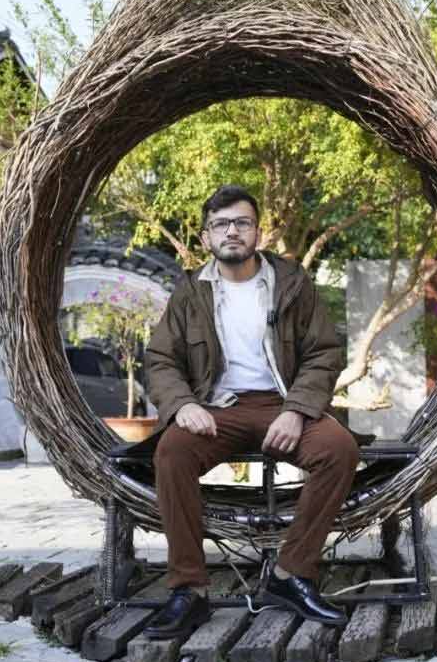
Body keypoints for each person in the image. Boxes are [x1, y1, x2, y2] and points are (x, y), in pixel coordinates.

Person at [141, 184, 360, 639]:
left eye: (242, 222)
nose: (232, 232)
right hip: (216, 409)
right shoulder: (190, 292)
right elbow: (161, 360)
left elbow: (324, 352)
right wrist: (183, 405)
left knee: (338, 449)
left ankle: (290, 574)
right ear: (206, 237)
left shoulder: (292, 283)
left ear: (258, 231)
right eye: (221, 224)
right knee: (172, 453)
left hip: (282, 405)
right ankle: (189, 590)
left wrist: (297, 410)